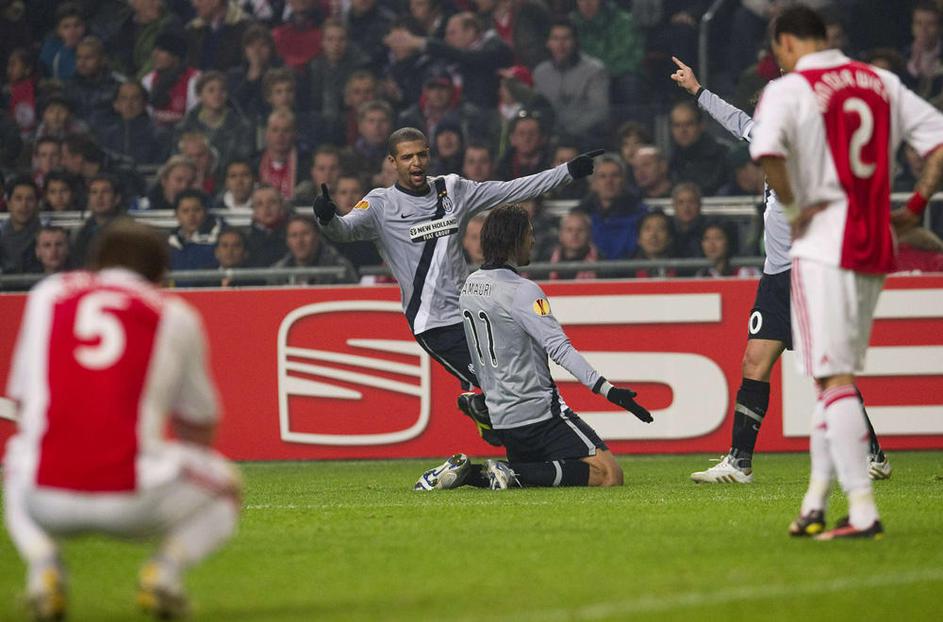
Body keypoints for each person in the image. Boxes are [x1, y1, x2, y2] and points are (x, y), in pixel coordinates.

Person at [749, 6, 943, 539]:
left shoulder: (789, 88)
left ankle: (862, 512)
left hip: (824, 245)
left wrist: (794, 207)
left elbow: (767, 152)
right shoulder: (879, 80)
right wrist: (917, 205)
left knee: (832, 378)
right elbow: (938, 142)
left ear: (787, 42)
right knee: (832, 378)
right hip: (875, 242)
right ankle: (814, 503)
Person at [669, 54, 894, 488]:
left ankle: (871, 454)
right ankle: (740, 462)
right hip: (777, 278)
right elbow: (738, 121)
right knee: (754, 361)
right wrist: (697, 90)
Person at [3, 220, 240, 620]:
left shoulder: (47, 295)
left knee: (14, 456)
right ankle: (164, 574)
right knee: (228, 488)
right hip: (134, 498)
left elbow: (23, 406)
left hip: (45, 499)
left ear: (95, 262)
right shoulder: (174, 315)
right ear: (159, 274)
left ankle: (42, 569)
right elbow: (199, 426)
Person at [312, 127, 601, 444]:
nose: (416, 163)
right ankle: (490, 416)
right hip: (435, 323)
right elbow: (344, 230)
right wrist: (327, 218)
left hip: (472, 315)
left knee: (518, 385)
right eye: (407, 157)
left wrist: (567, 172)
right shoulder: (380, 204)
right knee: (506, 391)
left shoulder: (453, 189)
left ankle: (487, 415)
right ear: (392, 162)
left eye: (421, 154)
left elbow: (510, 190)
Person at [413, 204, 652, 491]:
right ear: (514, 240)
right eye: (529, 234)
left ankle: (472, 474)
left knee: (541, 474)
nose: (534, 241)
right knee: (609, 474)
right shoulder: (523, 290)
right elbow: (559, 348)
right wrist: (609, 391)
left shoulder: (470, 287)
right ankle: (505, 472)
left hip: (503, 418)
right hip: (539, 413)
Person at [273, 215, 358, 285]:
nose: (299, 241)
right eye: (294, 235)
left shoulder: (341, 269)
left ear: (317, 236)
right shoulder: (277, 272)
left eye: (305, 233)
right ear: (287, 241)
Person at [167, 189, 223, 272]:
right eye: (185, 211)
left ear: (205, 211)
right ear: (176, 215)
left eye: (197, 210)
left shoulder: (221, 238)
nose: (191, 215)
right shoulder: (170, 243)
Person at [0, 177, 42, 275]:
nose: (24, 205)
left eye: (30, 199)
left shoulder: (46, 235)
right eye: (18, 199)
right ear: (8, 203)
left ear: (37, 204)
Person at [695, 220, 760, 278]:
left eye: (718, 238)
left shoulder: (747, 272)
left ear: (729, 241)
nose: (711, 244)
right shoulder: (702, 275)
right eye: (706, 238)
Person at [547, 210, 599, 280]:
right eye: (569, 230)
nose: (574, 234)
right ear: (560, 235)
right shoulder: (545, 260)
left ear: (589, 234)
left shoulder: (602, 262)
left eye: (580, 230)